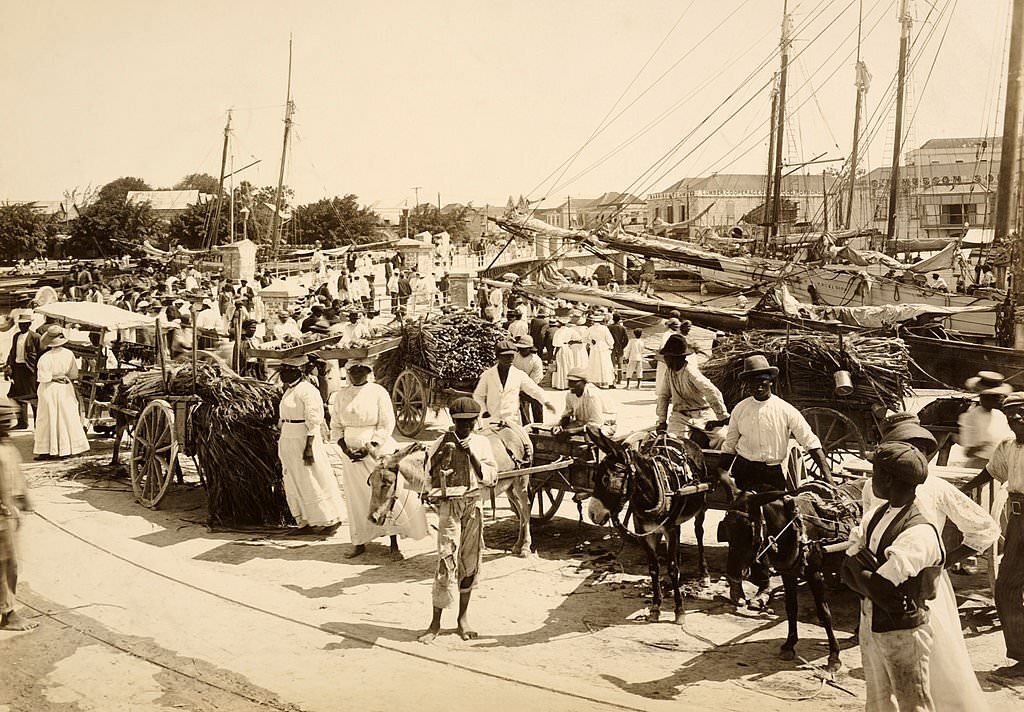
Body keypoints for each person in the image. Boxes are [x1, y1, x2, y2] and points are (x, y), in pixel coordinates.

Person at [869, 414, 1000, 708]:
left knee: (936, 658)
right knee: (883, 665)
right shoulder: (872, 488)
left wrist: (943, 560)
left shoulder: (937, 488)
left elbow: (985, 528)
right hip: (881, 588)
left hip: (926, 588)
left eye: (914, 448)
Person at [719, 354, 832, 608]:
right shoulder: (740, 409)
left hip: (771, 475)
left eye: (763, 381)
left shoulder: (785, 410)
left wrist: (828, 478)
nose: (758, 386)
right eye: (753, 382)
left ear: (771, 381)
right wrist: (722, 474)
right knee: (741, 530)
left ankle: (771, 580)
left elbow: (811, 441)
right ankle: (741, 583)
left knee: (774, 529)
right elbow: (730, 444)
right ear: (747, 385)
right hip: (746, 472)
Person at [841, 442, 944, 712]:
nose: (870, 478)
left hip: (904, 632)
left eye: (874, 472)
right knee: (877, 700)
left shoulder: (918, 531)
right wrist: (862, 572)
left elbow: (881, 586)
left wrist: (859, 569)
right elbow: (848, 571)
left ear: (888, 479)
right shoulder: (879, 514)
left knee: (913, 703)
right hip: (872, 621)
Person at [330, 357, 428, 559]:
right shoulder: (341, 395)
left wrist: (371, 447)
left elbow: (386, 423)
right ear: (348, 372)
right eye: (353, 371)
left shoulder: (378, 392)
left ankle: (393, 542)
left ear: (368, 372)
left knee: (385, 494)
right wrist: (345, 448)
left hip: (377, 453)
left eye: (362, 370)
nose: (358, 374)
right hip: (350, 456)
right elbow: (336, 425)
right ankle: (359, 541)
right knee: (356, 498)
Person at [419, 397, 497, 643]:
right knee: (446, 559)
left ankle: (463, 618)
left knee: (470, 562)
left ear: (476, 421)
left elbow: (491, 477)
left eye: (469, 423)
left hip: (473, 505)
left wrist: (470, 454)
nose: (465, 428)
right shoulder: (440, 443)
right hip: (450, 507)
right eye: (460, 423)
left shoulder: (482, 443)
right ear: (453, 421)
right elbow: (428, 475)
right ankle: (435, 623)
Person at [969, 392, 1024, 679]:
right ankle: (1022, 657)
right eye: (1012, 414)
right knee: (1005, 588)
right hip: (1017, 522)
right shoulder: (1006, 446)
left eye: (1022, 412)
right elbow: (989, 472)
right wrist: (960, 490)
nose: (1017, 418)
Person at [275, 357, 345, 534]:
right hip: (288, 438)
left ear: (298, 371)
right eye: (282, 369)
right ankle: (305, 520)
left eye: (287, 369)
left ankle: (330, 519)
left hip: (304, 439)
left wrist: (308, 447)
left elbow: (314, 421)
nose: (282, 373)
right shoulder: (289, 391)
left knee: (312, 478)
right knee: (294, 480)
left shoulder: (308, 391)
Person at [0, 397, 37, 631]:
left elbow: (16, 475)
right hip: (2, 515)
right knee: (6, 562)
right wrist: (5, 503)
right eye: (6, 418)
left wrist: (24, 497)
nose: (11, 421)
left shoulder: (7, 446)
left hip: (10, 513)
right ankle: (8, 614)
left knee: (11, 563)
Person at [654, 334, 728, 438]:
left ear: (678, 358)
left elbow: (711, 390)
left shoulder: (690, 371)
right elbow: (663, 396)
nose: (665, 359)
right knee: (673, 440)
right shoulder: (669, 372)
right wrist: (662, 421)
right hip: (679, 416)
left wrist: (722, 416)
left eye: (667, 357)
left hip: (702, 413)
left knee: (722, 438)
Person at [33, 325, 89, 460]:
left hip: (49, 388)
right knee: (67, 417)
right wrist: (62, 376)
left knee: (47, 418)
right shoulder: (69, 354)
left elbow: (42, 377)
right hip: (65, 387)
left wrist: (53, 377)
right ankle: (69, 448)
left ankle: (47, 450)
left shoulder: (45, 358)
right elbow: (74, 374)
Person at [472, 340, 554, 427]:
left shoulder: (519, 374)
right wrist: (484, 411)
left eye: (511, 356)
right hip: (491, 421)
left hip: (512, 421)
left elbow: (534, 389)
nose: (510, 359)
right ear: (498, 357)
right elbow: (478, 396)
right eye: (506, 356)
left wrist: (546, 402)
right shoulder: (487, 375)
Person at [957, 371, 1013, 468]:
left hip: (1001, 464)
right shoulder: (970, 417)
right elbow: (968, 452)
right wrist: (983, 446)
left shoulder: (1000, 416)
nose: (999, 400)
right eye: (993, 397)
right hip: (980, 465)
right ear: (982, 397)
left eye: (998, 397)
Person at [4, 313, 40, 429]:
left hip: (29, 370)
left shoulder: (35, 337)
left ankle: (37, 424)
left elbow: (40, 354)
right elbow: (12, 352)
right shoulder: (16, 336)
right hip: (17, 369)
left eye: (24, 324)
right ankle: (22, 422)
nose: (22, 326)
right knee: (17, 396)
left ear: (29, 324)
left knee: (33, 397)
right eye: (20, 324)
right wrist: (9, 366)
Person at [554, 368, 609, 434]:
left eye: (575, 382)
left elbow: (597, 423)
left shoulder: (592, 395)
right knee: (559, 432)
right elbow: (567, 415)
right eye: (569, 381)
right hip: (582, 423)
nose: (570, 384)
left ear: (584, 382)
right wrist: (559, 426)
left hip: (604, 424)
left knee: (592, 435)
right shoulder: (570, 394)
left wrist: (574, 431)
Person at [512, 336, 544, 424]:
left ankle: (538, 426)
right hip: (519, 386)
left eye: (524, 349)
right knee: (523, 407)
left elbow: (535, 379)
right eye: (520, 348)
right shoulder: (515, 358)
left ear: (530, 348)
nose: (521, 350)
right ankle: (527, 426)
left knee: (537, 405)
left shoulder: (536, 360)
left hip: (534, 386)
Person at [585, 313, 616, 388]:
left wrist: (590, 341)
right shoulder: (604, 328)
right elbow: (610, 339)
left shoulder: (590, 329)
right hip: (603, 348)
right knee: (605, 364)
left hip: (594, 348)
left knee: (595, 364)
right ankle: (607, 381)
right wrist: (610, 346)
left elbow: (584, 338)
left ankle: (596, 381)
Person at [608, 312, 629, 386]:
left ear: (613, 319)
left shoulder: (609, 327)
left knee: (612, 364)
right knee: (620, 364)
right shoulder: (622, 328)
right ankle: (619, 379)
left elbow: (607, 338)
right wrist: (622, 346)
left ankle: (613, 379)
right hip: (620, 348)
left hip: (612, 348)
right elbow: (626, 339)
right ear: (619, 319)